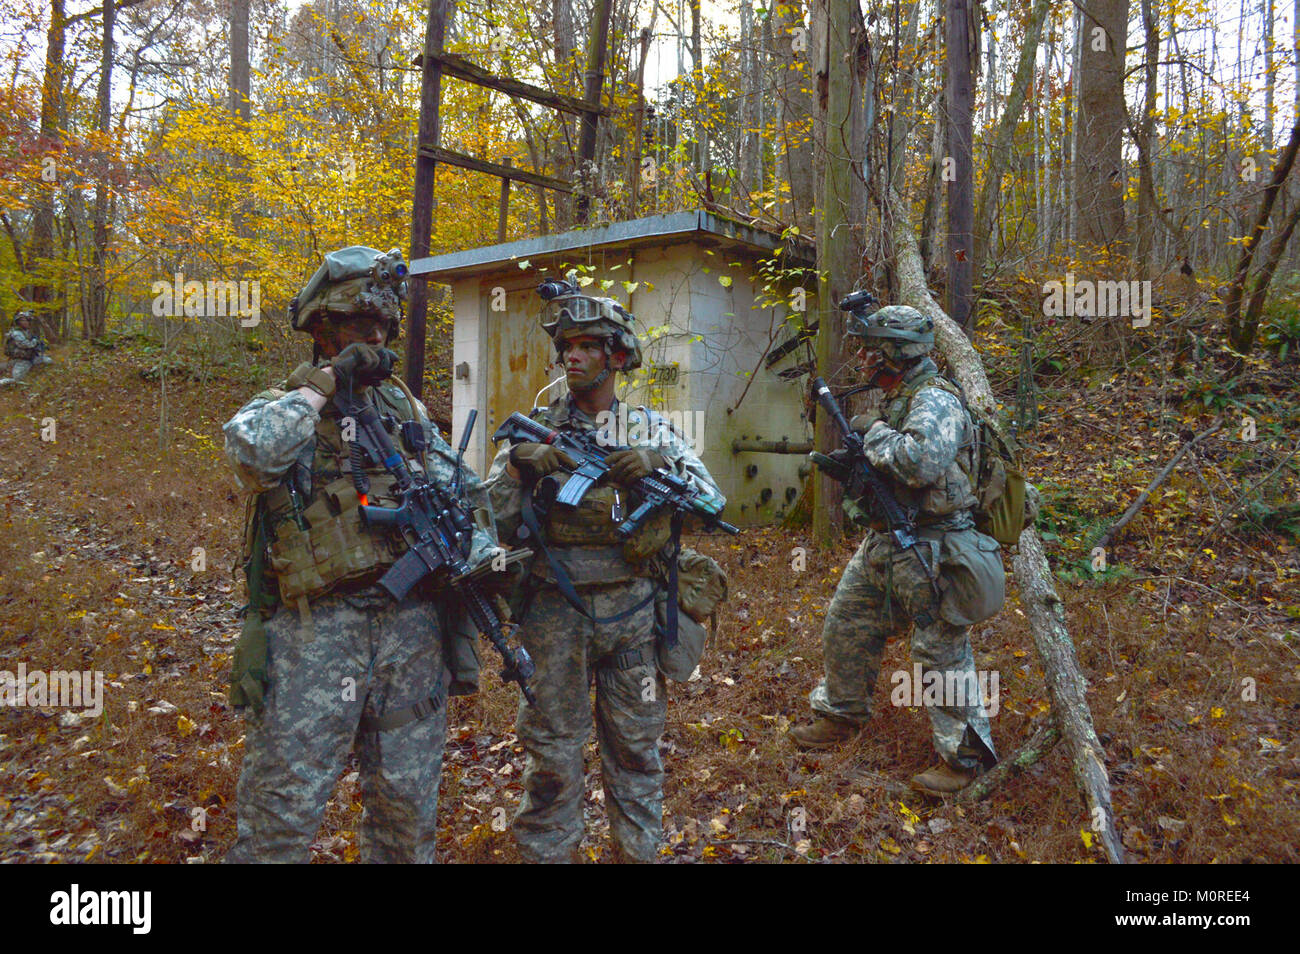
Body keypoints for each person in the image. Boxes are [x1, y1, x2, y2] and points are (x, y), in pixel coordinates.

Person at [222, 246, 497, 862]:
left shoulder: (402, 410)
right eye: (357, 328)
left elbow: (464, 491)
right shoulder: (284, 404)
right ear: (323, 330)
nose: (374, 341)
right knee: (281, 815)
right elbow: (252, 457)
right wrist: (324, 384)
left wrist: (485, 548)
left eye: (382, 328)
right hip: (313, 636)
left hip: (410, 631)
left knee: (406, 812)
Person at [485, 284, 725, 862]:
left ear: (618, 357)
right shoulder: (532, 430)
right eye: (567, 346)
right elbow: (485, 520)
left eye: (588, 345)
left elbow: (712, 503)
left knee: (638, 752)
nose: (572, 356)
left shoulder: (649, 429)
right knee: (552, 757)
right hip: (554, 618)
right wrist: (519, 472)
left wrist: (658, 461)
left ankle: (636, 853)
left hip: (633, 616)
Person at [790, 304, 1004, 796]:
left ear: (896, 354)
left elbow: (919, 462)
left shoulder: (934, 400)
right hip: (886, 540)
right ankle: (841, 714)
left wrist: (873, 433)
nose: (862, 357)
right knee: (848, 620)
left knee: (940, 653)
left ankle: (966, 760)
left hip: (932, 546)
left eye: (870, 349)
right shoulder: (897, 397)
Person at [2, 311, 53, 385]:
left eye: (28, 320)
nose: (27, 322)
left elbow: (32, 345)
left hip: (30, 358)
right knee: (17, 379)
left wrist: (41, 345)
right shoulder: (16, 333)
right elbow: (25, 345)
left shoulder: (26, 332)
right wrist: (35, 341)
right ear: (18, 322)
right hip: (20, 360)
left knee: (48, 361)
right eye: (24, 320)